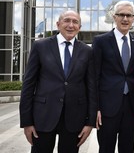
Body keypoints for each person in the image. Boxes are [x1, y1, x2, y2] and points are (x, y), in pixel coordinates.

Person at [19, 11, 98, 153]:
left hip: (74, 118)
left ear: (79, 27)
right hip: (43, 116)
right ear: (58, 24)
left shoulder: (87, 51)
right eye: (67, 20)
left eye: (75, 22)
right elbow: (28, 85)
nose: (71, 25)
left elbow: (91, 87)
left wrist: (90, 122)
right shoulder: (40, 46)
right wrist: (26, 121)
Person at [92, 0, 134, 153]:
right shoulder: (100, 41)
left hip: (131, 107)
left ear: (133, 19)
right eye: (121, 15)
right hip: (106, 108)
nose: (125, 19)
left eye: (129, 16)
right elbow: (94, 77)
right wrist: (95, 108)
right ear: (114, 17)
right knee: (106, 148)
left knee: (128, 148)